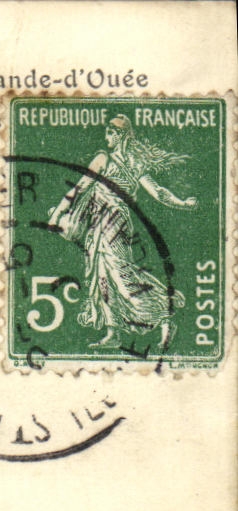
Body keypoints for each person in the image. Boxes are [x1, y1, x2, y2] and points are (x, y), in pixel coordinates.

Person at [46, 115, 198, 352]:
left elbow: (79, 189)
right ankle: (112, 332)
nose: (106, 137)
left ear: (119, 136)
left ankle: (164, 317)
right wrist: (182, 203)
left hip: (113, 224)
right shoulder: (128, 163)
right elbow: (157, 192)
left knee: (120, 275)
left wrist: (57, 216)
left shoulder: (107, 159)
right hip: (101, 223)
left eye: (109, 133)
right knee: (102, 275)